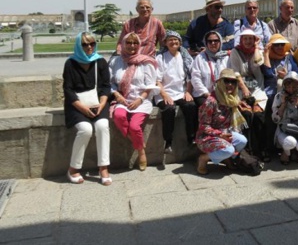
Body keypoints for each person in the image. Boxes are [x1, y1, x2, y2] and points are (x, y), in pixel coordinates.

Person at [63, 32, 112, 185]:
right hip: (77, 105)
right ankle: (73, 168)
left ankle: (103, 167)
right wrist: (83, 108)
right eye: (85, 44)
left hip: (98, 103)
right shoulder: (70, 63)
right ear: (79, 46)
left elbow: (106, 87)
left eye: (92, 43)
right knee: (85, 129)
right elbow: (68, 90)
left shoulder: (100, 62)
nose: (89, 47)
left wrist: (102, 104)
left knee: (102, 126)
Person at [109, 33, 159, 171]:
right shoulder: (116, 61)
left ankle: (141, 153)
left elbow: (150, 85)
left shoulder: (146, 62)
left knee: (135, 126)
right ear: (123, 44)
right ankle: (140, 145)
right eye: (129, 43)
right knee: (118, 116)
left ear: (139, 45)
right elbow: (110, 82)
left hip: (141, 100)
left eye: (135, 43)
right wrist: (117, 95)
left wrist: (140, 99)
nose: (132, 46)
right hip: (123, 99)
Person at [195, 68, 249, 175]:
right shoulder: (211, 101)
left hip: (224, 133)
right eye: (226, 81)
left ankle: (225, 158)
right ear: (220, 83)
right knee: (229, 150)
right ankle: (204, 159)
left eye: (233, 82)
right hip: (206, 137)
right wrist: (220, 135)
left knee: (242, 140)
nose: (230, 85)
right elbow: (203, 126)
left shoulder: (231, 99)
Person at [154, 30, 197, 153]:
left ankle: (191, 138)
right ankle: (168, 142)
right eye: (170, 40)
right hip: (164, 92)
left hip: (181, 92)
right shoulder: (160, 57)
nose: (173, 42)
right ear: (165, 43)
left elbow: (189, 78)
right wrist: (164, 95)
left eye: (176, 40)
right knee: (169, 109)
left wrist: (188, 92)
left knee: (191, 106)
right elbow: (157, 81)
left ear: (180, 42)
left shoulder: (185, 57)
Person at [229, 29, 269, 159]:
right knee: (246, 115)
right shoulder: (235, 52)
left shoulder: (258, 52)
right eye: (245, 39)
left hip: (257, 88)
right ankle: (248, 149)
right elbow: (235, 72)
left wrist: (256, 47)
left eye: (250, 39)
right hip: (241, 89)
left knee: (259, 115)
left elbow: (258, 62)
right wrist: (243, 87)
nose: (247, 42)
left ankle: (261, 149)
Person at [261, 34, 298, 160]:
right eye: (276, 45)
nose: (279, 47)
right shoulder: (267, 58)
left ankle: (296, 146)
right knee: (270, 116)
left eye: (281, 45)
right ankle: (269, 148)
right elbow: (267, 73)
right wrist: (266, 53)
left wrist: (287, 75)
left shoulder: (289, 57)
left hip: (290, 91)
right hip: (272, 93)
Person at [272, 72, 298, 165]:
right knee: (290, 142)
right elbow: (275, 119)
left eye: (294, 87)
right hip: (285, 129)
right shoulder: (279, 96)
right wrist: (283, 104)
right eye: (288, 87)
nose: (291, 90)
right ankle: (286, 152)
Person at [190, 31, 230, 108]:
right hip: (203, 94)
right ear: (206, 43)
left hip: (223, 93)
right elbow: (195, 79)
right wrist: (207, 94)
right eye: (210, 41)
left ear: (220, 42)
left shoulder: (226, 58)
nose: (213, 43)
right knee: (211, 105)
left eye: (216, 41)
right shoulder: (200, 58)